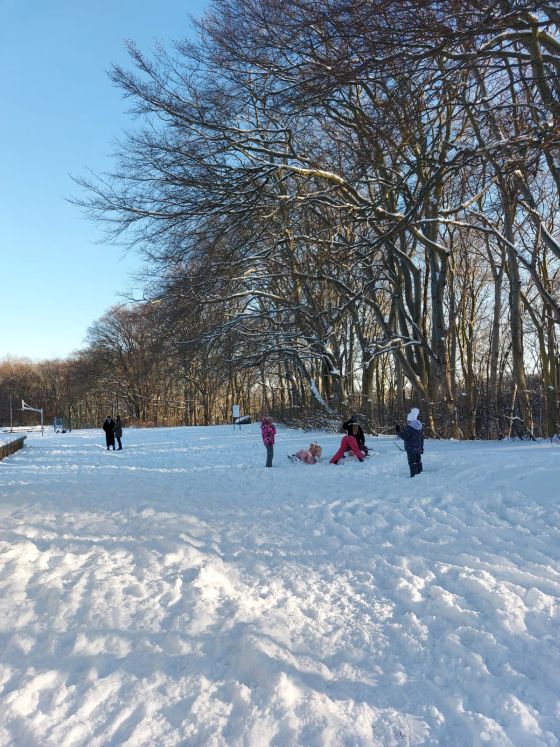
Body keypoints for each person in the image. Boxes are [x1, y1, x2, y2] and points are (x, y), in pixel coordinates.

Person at [396, 407, 424, 477]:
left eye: (408, 420)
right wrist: (421, 448)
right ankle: (420, 474)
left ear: (410, 420)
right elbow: (421, 438)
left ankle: (414, 475)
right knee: (418, 461)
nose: (407, 421)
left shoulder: (409, 428)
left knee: (412, 462)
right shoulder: (419, 427)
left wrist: (398, 431)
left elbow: (405, 437)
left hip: (411, 448)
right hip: (418, 448)